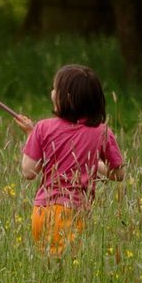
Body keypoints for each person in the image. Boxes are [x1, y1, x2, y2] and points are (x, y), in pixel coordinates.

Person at [15, 64, 125, 255]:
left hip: (41, 211)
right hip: (73, 213)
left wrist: (31, 135)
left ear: (65, 98)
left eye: (54, 89)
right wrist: (95, 164)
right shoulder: (102, 132)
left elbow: (28, 171)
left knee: (48, 269)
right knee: (69, 271)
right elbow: (119, 174)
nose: (51, 92)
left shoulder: (42, 128)